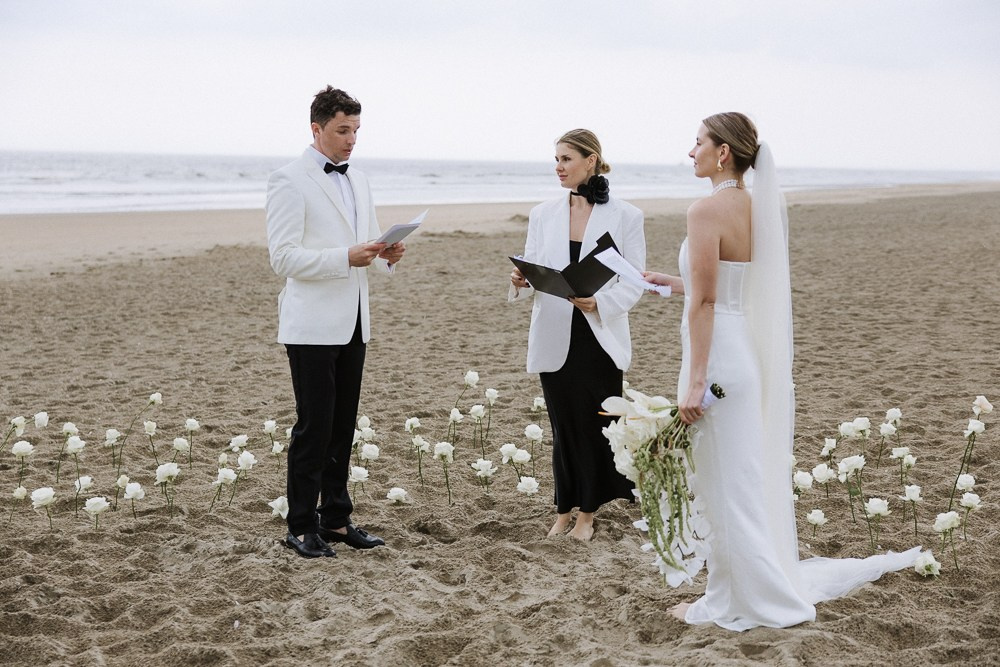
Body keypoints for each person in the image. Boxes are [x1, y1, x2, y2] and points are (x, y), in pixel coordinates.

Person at [644, 113, 920, 630]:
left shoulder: (704, 209)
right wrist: (670, 280)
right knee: (738, 482)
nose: (691, 152)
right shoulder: (756, 207)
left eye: (698, 142)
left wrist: (697, 381)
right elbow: (732, 287)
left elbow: (706, 304)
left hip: (719, 360)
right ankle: (732, 590)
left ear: (722, 152)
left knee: (728, 486)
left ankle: (747, 601)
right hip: (741, 354)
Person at [266, 86, 405, 558]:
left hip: (355, 320)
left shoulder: (359, 180)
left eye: (356, 131)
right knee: (314, 426)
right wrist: (345, 257)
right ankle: (301, 524)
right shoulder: (288, 179)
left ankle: (338, 520)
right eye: (343, 130)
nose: (351, 140)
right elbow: (283, 258)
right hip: (310, 324)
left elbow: (366, 244)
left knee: (343, 425)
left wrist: (387, 254)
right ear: (316, 128)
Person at [509, 129, 645, 541]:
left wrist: (599, 303)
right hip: (554, 331)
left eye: (567, 158)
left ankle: (587, 514)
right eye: (557, 158)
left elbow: (634, 279)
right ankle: (563, 511)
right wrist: (521, 279)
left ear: (591, 160)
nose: (559, 166)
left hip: (598, 333)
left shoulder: (627, 215)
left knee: (596, 426)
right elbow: (533, 265)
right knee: (563, 425)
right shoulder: (542, 213)